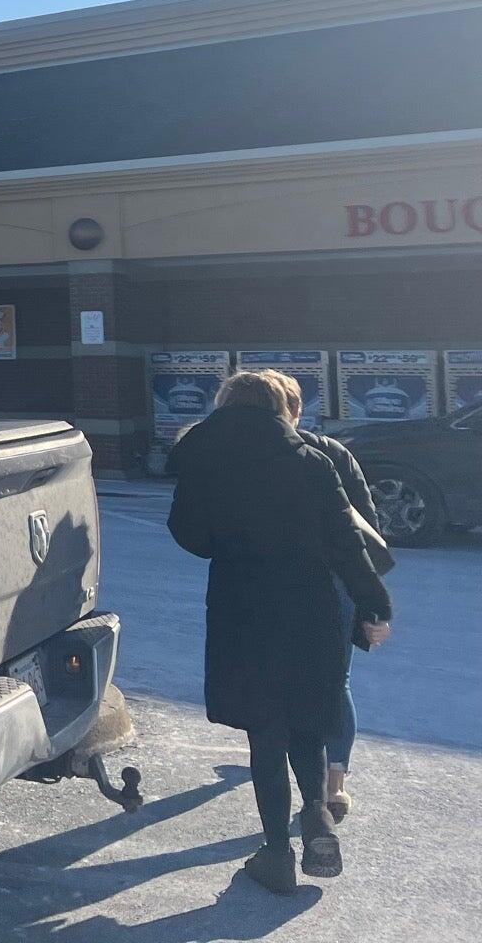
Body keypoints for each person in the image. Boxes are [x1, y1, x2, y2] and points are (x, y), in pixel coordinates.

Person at [168, 369, 393, 895]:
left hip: (243, 610)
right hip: (311, 608)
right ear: (278, 408)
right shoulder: (311, 461)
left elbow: (189, 535)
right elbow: (346, 540)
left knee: (264, 730)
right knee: (307, 722)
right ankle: (317, 817)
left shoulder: (204, 461)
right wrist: (374, 606)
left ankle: (275, 853)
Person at [270, 373, 382, 823]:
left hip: (276, 583)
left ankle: (289, 770)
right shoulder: (334, 453)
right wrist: (370, 600)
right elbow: (367, 531)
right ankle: (335, 784)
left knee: (281, 677)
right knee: (336, 680)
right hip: (335, 580)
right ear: (298, 410)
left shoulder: (252, 460)